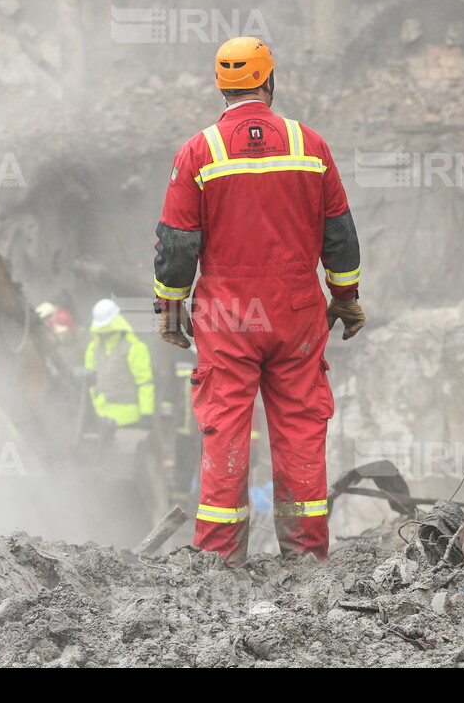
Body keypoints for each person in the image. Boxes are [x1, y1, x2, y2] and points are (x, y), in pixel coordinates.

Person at [151, 36, 366, 563]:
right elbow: (340, 235)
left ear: (221, 86)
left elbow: (177, 245)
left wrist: (171, 308)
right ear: (270, 81)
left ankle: (221, 561)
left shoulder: (199, 151)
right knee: (300, 429)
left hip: (227, 315)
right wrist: (345, 297)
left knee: (225, 429)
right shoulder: (309, 144)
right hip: (297, 313)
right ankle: (307, 558)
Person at [84, 298, 155, 427]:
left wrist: (146, 413)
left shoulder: (134, 347)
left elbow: (144, 382)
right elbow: (89, 383)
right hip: (98, 417)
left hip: (127, 419)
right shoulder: (93, 348)